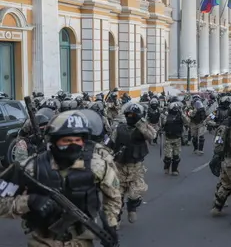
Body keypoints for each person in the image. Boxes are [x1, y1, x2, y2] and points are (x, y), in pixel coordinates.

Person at [0, 110, 121, 246]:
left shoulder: (97, 165)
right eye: (67, 140)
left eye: (77, 140)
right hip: (43, 240)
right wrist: (29, 202)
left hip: (82, 240)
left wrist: (111, 223)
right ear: (54, 140)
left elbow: (114, 196)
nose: (73, 145)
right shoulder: (31, 167)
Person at [109, 103, 156, 226]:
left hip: (136, 167)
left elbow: (152, 135)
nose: (130, 117)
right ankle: (117, 220)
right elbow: (111, 143)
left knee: (135, 193)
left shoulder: (142, 128)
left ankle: (132, 208)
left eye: (133, 115)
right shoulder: (119, 128)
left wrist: (140, 123)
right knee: (117, 196)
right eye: (129, 115)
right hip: (119, 166)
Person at [161, 102, 190, 175]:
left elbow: (187, 122)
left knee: (176, 156)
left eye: (176, 109)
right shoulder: (167, 116)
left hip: (177, 138)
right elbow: (163, 124)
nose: (175, 110)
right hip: (168, 138)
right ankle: (166, 168)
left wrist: (182, 114)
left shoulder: (180, 116)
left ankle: (174, 170)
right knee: (168, 156)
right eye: (174, 108)